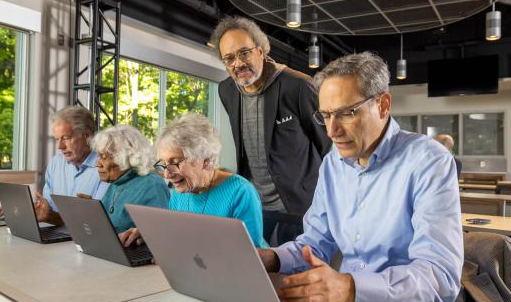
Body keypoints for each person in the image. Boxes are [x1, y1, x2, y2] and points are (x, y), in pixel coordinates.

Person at [257, 52, 464, 302]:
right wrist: (271, 258)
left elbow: (439, 278)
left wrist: (349, 288)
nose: (332, 131)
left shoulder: (429, 161)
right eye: (326, 116)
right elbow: (316, 242)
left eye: (346, 113)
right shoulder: (333, 164)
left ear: (383, 105)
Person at [209, 16, 331, 245]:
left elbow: (326, 144)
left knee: (294, 274)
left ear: (260, 51)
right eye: (229, 58)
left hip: (298, 207)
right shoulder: (226, 90)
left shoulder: (298, 86)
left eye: (244, 53)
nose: (238, 63)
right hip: (253, 206)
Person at [154, 113, 267, 248]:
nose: (167, 174)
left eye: (176, 162)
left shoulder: (240, 192)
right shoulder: (179, 194)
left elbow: (249, 254)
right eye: (164, 163)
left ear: (205, 160)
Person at [0, 106, 109, 222]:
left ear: (87, 136)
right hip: (55, 233)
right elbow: (48, 207)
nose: (59, 146)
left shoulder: (107, 169)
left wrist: (51, 217)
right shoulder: (56, 163)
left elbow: (97, 221)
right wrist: (23, 209)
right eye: (57, 139)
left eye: (66, 138)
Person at [87, 125, 170, 247]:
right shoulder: (117, 182)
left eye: (103, 157)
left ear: (125, 158)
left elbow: (159, 235)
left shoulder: (152, 185)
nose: (97, 163)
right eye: (99, 156)